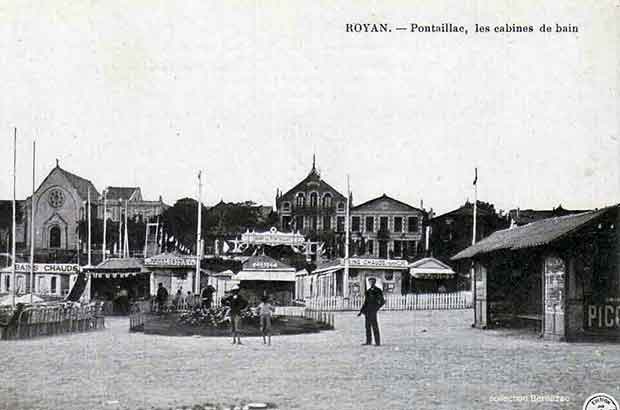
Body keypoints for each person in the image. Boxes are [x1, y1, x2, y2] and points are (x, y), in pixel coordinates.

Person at [357, 277, 385, 346]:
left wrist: (376, 308)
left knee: (375, 326)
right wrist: (361, 311)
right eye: (369, 282)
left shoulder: (378, 291)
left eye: (372, 282)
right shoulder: (368, 291)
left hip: (373, 311)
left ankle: (377, 342)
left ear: (374, 282)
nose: (371, 283)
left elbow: (382, 301)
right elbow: (365, 302)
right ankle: (368, 341)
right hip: (367, 311)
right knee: (367, 327)